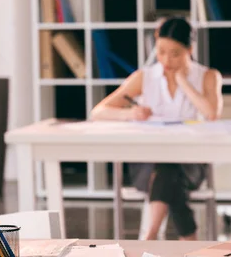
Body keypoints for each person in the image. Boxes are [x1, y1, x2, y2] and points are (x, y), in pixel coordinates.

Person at [90, 16, 223, 241]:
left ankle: (150, 237)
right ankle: (188, 241)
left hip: (190, 163)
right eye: (161, 51)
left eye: (175, 53)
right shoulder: (145, 77)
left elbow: (211, 114)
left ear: (190, 49)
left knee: (168, 170)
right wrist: (130, 113)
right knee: (166, 170)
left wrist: (184, 83)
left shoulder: (208, 76)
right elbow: (98, 112)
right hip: (146, 163)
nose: (166, 60)